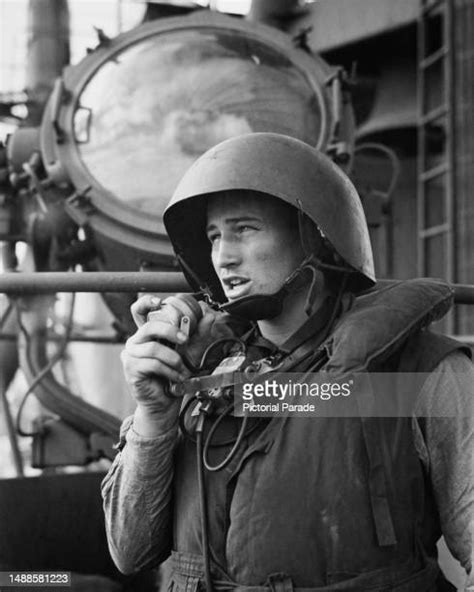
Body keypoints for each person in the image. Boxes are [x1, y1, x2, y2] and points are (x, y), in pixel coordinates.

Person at [102, 133, 473, 592]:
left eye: (245, 229)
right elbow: (130, 550)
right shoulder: (199, 374)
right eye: (214, 236)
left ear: (317, 237)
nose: (223, 256)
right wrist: (154, 416)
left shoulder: (421, 372)